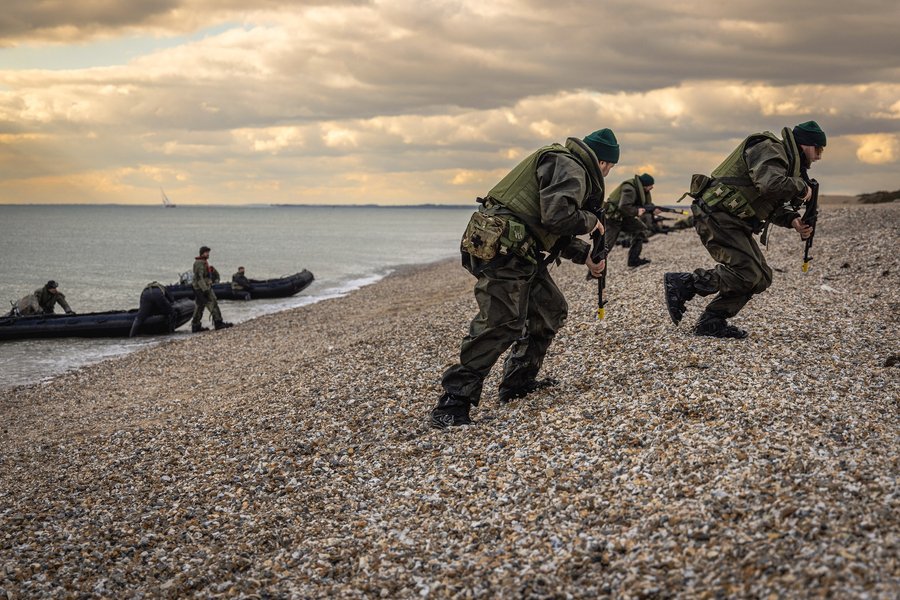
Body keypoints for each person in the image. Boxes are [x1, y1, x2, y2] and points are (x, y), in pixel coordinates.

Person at [430, 128, 618, 429]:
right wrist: (592, 222)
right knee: (502, 321)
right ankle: (453, 402)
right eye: (609, 167)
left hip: (520, 250)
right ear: (605, 163)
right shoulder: (571, 166)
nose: (607, 174)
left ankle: (517, 383)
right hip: (507, 251)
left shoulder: (566, 164)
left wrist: (585, 254)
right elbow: (557, 216)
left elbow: (544, 225)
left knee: (549, 310)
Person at [664, 121, 825, 339]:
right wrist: (801, 187)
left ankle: (712, 321)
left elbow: (766, 201)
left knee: (761, 277)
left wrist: (793, 221)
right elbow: (770, 185)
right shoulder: (769, 148)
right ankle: (685, 283)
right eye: (818, 149)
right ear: (806, 145)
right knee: (747, 273)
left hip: (731, 220)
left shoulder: (784, 162)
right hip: (716, 215)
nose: (819, 157)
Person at [603, 173, 660, 267]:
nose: (652, 188)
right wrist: (637, 211)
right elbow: (624, 206)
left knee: (640, 229)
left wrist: (653, 210)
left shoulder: (638, 189)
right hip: (613, 218)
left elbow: (643, 205)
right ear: (645, 185)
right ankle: (594, 270)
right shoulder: (630, 189)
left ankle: (633, 260)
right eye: (650, 185)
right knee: (606, 245)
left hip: (624, 217)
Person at [190, 246, 233, 332]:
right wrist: (205, 289)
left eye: (208, 252)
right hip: (202, 288)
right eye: (206, 252)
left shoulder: (203, 262)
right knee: (212, 303)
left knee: (200, 306)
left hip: (200, 288)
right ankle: (218, 322)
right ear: (202, 253)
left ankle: (196, 325)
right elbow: (199, 278)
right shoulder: (199, 263)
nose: (208, 254)